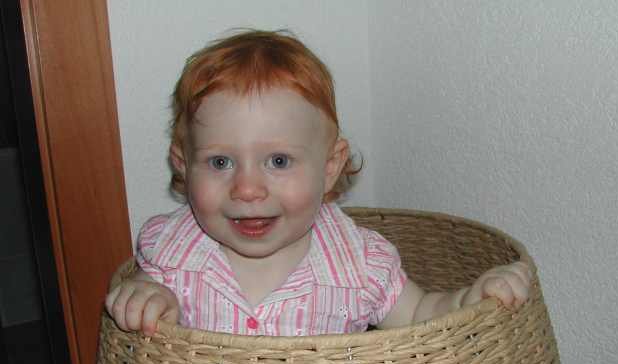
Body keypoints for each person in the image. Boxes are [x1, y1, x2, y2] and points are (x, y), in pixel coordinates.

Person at [105, 29, 531, 337]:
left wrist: (468, 299)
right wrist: (145, 297)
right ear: (182, 165)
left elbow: (420, 311)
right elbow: (147, 287)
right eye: (220, 161)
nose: (247, 189)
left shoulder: (359, 263)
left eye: (278, 160)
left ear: (330, 167)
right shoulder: (173, 250)